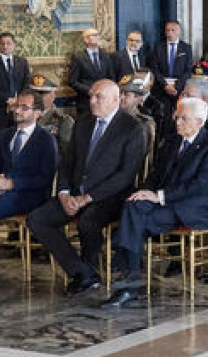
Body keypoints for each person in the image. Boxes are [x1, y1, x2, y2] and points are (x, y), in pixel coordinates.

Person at [101, 97, 208, 307]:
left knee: (132, 222)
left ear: (199, 122)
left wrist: (158, 196)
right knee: (132, 205)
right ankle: (130, 281)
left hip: (189, 208)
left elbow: (199, 185)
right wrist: (144, 192)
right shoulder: (171, 140)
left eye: (184, 119)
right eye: (177, 117)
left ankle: (129, 280)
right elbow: (155, 174)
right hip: (162, 202)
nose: (177, 123)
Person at [27, 80, 146, 293]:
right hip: (74, 194)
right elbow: (67, 163)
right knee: (37, 219)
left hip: (110, 197)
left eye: (98, 97)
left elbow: (125, 176)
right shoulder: (82, 123)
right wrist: (63, 194)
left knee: (88, 221)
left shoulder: (132, 128)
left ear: (115, 100)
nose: (92, 101)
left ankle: (88, 270)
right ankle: (82, 272)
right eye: (91, 96)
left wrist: (87, 198)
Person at [0, 89, 57, 218]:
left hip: (30, 196)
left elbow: (45, 179)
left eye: (24, 108)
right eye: (16, 106)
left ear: (38, 113)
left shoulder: (46, 140)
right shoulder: (4, 135)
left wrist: (12, 184)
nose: (17, 111)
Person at [68, 28, 115, 114]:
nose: (98, 37)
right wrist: (90, 90)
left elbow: (111, 78)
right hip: (86, 103)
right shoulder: (78, 57)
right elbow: (72, 81)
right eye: (95, 35)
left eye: (98, 35)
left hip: (104, 103)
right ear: (86, 39)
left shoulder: (105, 55)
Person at [149, 20, 193, 111]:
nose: (169, 33)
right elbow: (154, 69)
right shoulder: (158, 47)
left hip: (179, 88)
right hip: (162, 88)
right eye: (167, 30)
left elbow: (188, 70)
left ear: (179, 32)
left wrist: (176, 86)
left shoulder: (186, 48)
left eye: (173, 30)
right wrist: (165, 85)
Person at [33, 74, 74, 158]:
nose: (37, 98)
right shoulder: (23, 117)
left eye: (42, 93)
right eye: (34, 94)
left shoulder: (64, 121)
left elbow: (67, 156)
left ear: (53, 96)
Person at [118, 75, 157, 162]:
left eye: (126, 94)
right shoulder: (108, 117)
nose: (121, 97)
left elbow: (142, 155)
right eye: (120, 93)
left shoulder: (144, 123)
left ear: (138, 99)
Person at [0, 32, 30, 129]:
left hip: (20, 109)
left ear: (14, 45)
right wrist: (7, 100)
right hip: (2, 109)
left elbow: (27, 84)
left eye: (8, 43)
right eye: (2, 43)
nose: (5, 46)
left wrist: (18, 100)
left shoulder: (22, 62)